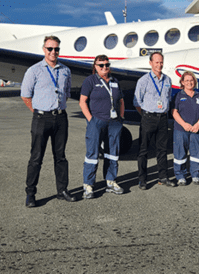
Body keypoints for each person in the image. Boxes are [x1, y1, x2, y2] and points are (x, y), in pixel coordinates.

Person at [21, 35, 75, 207]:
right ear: (44, 50)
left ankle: (62, 190)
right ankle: (30, 194)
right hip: (41, 118)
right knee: (36, 157)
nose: (53, 52)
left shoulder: (65, 70)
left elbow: (66, 92)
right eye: (50, 48)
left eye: (56, 49)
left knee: (61, 157)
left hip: (60, 117)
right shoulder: (34, 70)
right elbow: (25, 95)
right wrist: (38, 112)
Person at [79, 55, 125, 199]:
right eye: (101, 65)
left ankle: (110, 181)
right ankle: (88, 185)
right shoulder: (90, 81)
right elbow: (82, 102)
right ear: (95, 67)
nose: (104, 67)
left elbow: (121, 101)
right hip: (97, 121)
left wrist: (121, 118)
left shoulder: (115, 81)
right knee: (92, 154)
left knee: (112, 153)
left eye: (107, 64)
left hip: (114, 123)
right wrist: (91, 120)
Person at [133, 52, 176, 189]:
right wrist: (146, 115)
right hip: (148, 117)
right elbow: (137, 101)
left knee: (162, 150)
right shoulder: (143, 80)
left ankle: (163, 177)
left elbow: (168, 98)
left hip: (162, 118)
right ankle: (142, 179)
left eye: (161, 62)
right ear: (150, 63)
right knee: (144, 150)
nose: (159, 65)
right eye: (156, 62)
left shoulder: (167, 80)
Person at [172, 71, 199, 185]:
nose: (189, 82)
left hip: (195, 130)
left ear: (195, 82)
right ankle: (180, 176)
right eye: (186, 80)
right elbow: (174, 111)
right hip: (181, 130)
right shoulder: (178, 96)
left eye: (191, 80)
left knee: (196, 153)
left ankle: (195, 175)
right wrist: (184, 124)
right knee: (180, 154)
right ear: (182, 82)